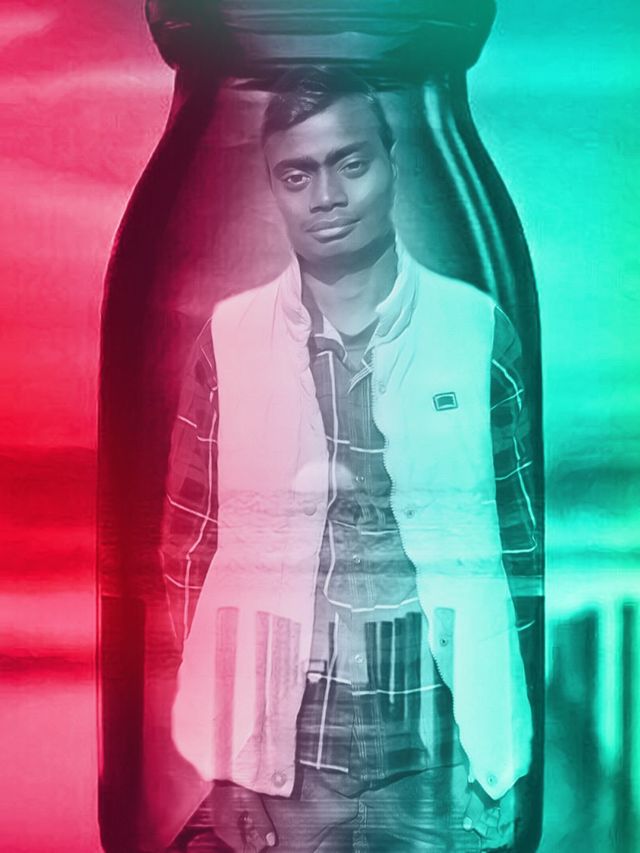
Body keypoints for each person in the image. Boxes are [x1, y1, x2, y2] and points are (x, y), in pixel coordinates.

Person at [161, 65, 536, 852]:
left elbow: (519, 552)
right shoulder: (230, 343)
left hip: (440, 748)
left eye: (350, 162)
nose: (326, 195)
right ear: (273, 186)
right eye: (298, 174)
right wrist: (231, 764)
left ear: (391, 162)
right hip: (287, 753)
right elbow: (188, 559)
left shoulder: (475, 333)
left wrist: (497, 754)